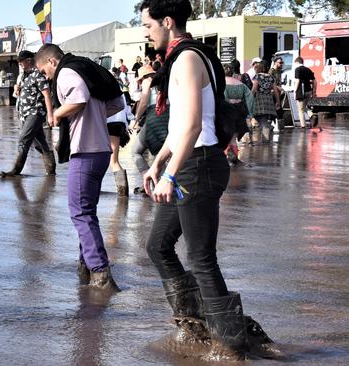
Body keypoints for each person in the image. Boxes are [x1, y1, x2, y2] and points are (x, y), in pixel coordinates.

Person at [140, 0, 279, 361]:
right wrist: (158, 163)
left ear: (167, 22)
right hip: (191, 162)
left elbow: (191, 126)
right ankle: (197, 326)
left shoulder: (187, 59)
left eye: (148, 25)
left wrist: (170, 173)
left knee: (202, 258)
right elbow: (179, 124)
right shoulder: (187, 56)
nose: (145, 31)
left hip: (197, 166)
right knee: (158, 246)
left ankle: (231, 345)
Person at [34, 43, 124, 292]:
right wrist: (94, 116)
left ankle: (100, 273)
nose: (45, 76)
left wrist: (57, 115)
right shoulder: (87, 71)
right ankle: (86, 267)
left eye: (43, 71)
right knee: (88, 212)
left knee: (80, 212)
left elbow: (79, 99)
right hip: (101, 151)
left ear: (52, 62)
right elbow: (117, 104)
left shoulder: (65, 72)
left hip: (85, 150)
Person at [0, 50, 56, 178]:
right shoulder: (25, 75)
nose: (20, 64)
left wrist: (50, 115)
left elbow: (47, 95)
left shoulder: (38, 75)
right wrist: (18, 90)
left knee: (23, 139)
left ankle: (16, 169)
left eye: (21, 61)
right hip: (25, 114)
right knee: (40, 143)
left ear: (29, 60)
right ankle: (51, 168)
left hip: (35, 112)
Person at [130, 62, 168, 194]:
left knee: (135, 151)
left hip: (155, 118)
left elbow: (145, 100)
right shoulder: (163, 81)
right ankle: (158, 183)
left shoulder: (148, 80)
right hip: (168, 117)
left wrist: (136, 119)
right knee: (160, 154)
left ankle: (148, 180)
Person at [223, 63, 253, 164]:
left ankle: (227, 157)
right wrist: (250, 113)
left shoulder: (222, 83)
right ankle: (234, 157)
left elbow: (222, 97)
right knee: (234, 137)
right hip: (240, 110)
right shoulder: (240, 84)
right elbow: (250, 98)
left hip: (227, 110)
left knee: (225, 135)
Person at [251, 62, 279, 144]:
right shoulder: (271, 77)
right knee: (264, 119)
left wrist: (249, 98)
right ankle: (266, 133)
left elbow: (254, 89)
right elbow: (276, 91)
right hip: (269, 99)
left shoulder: (258, 76)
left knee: (259, 118)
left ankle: (265, 139)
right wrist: (278, 102)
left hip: (260, 98)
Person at [294, 56, 316, 129]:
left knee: (300, 110)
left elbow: (297, 81)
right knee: (304, 107)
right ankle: (312, 115)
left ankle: (303, 125)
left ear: (297, 62)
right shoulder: (308, 69)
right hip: (308, 91)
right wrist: (314, 91)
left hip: (301, 91)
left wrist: (295, 91)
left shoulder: (297, 69)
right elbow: (314, 81)